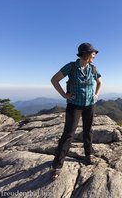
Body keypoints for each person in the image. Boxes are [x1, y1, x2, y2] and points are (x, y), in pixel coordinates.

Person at [50, 42, 102, 180]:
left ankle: (88, 154)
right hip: (74, 105)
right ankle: (57, 165)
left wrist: (96, 94)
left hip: (90, 104)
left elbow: (100, 82)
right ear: (85, 53)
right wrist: (64, 95)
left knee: (88, 130)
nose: (95, 55)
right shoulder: (71, 66)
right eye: (93, 53)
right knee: (68, 134)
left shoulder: (93, 68)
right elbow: (54, 80)